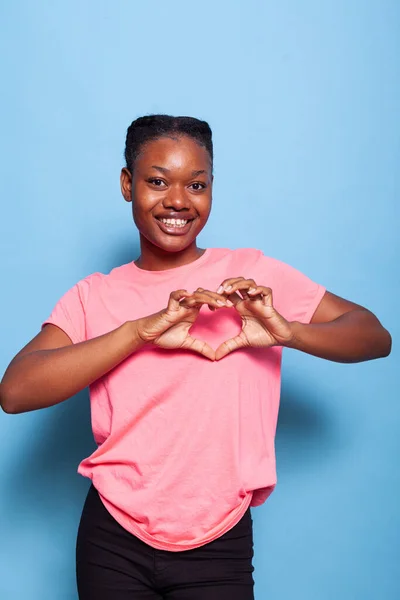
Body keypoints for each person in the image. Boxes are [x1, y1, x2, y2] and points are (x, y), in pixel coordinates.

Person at [0, 115, 391, 600]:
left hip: (218, 542)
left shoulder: (250, 276)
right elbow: (15, 392)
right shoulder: (92, 296)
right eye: (157, 181)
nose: (178, 201)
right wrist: (138, 333)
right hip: (112, 539)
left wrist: (287, 332)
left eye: (197, 184)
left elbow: (373, 335)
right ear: (128, 184)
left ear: (211, 189)